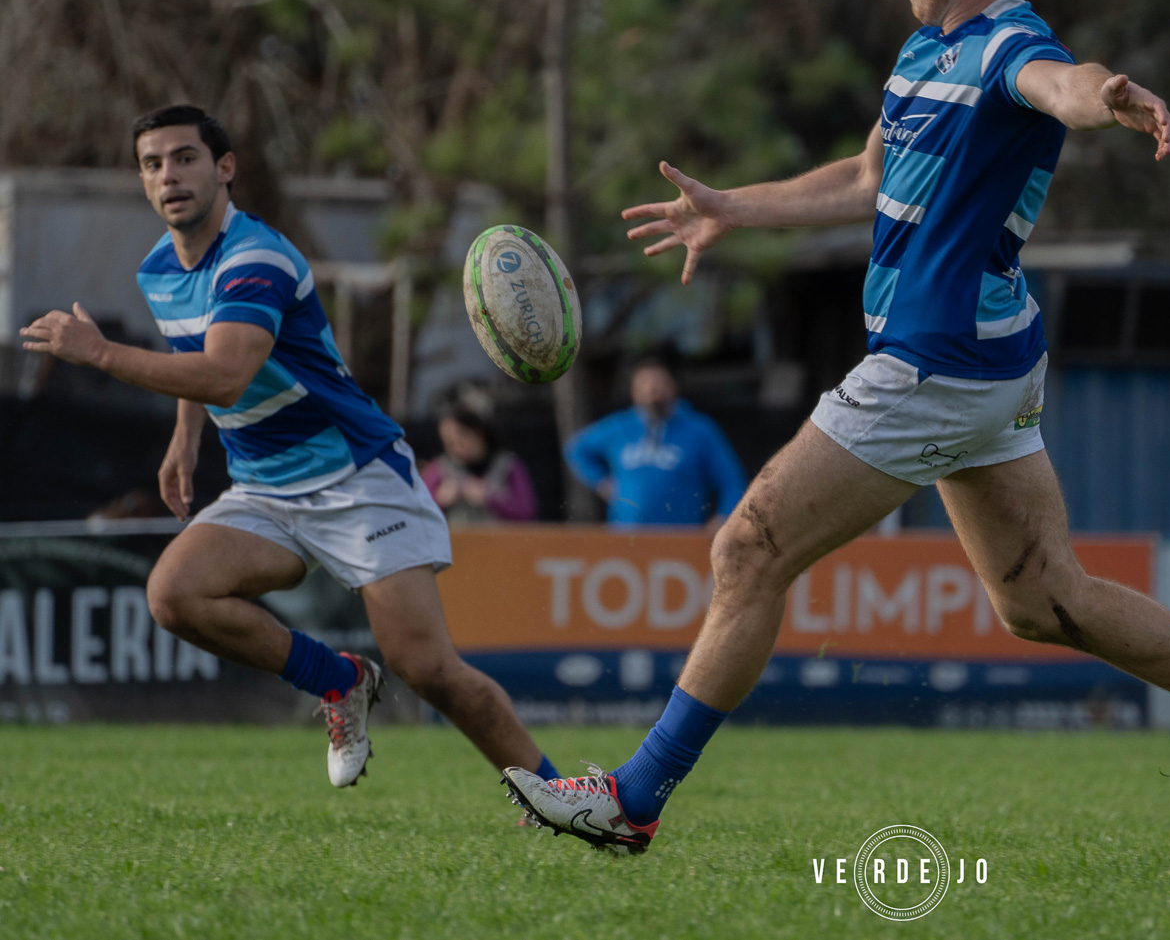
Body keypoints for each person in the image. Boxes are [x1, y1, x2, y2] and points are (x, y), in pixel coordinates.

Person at [503, 0, 1170, 858]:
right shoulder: (921, 54)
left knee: (747, 548)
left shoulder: (1009, 48)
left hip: (933, 364)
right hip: (987, 364)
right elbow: (867, 174)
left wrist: (1106, 93)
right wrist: (736, 207)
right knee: (1045, 600)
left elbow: (1060, 82)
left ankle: (634, 796)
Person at [20, 106, 560, 790]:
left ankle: (563, 794)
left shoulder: (256, 258)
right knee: (174, 594)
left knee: (428, 668)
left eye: (185, 157)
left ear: (224, 168)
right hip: (266, 487)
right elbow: (197, 353)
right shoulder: (159, 270)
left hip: (357, 475)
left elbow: (225, 371)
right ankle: (340, 681)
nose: (168, 175)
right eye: (153, 164)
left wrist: (98, 352)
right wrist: (184, 439)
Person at [562, 354, 747, 529]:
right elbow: (577, 449)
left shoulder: (699, 429)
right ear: (633, 392)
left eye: (659, 383)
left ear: (674, 387)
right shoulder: (619, 427)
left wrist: (723, 518)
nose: (652, 390)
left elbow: (732, 481)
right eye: (644, 384)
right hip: (626, 537)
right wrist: (602, 482)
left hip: (682, 539)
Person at [423, 385, 540, 524]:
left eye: (461, 439)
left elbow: (528, 513)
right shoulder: (440, 468)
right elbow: (418, 513)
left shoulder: (509, 465)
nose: (455, 448)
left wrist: (490, 498)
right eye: (449, 444)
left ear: (479, 432)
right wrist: (440, 500)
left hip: (501, 542)